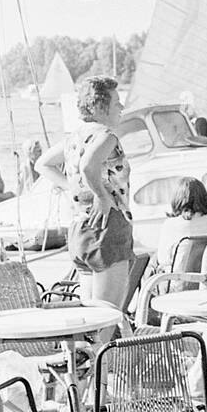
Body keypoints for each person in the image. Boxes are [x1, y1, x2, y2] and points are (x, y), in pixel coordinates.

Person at [36, 75, 135, 309]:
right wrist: (102, 196)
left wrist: (74, 186)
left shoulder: (74, 138)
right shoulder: (106, 137)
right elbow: (88, 165)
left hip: (80, 229)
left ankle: (85, 347)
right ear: (100, 107)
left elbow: (43, 164)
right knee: (107, 315)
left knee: (89, 315)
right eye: (116, 102)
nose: (121, 107)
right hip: (107, 227)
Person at [154, 177, 207, 272]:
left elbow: (163, 259)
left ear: (177, 198)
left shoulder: (171, 225)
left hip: (178, 281)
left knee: (154, 261)